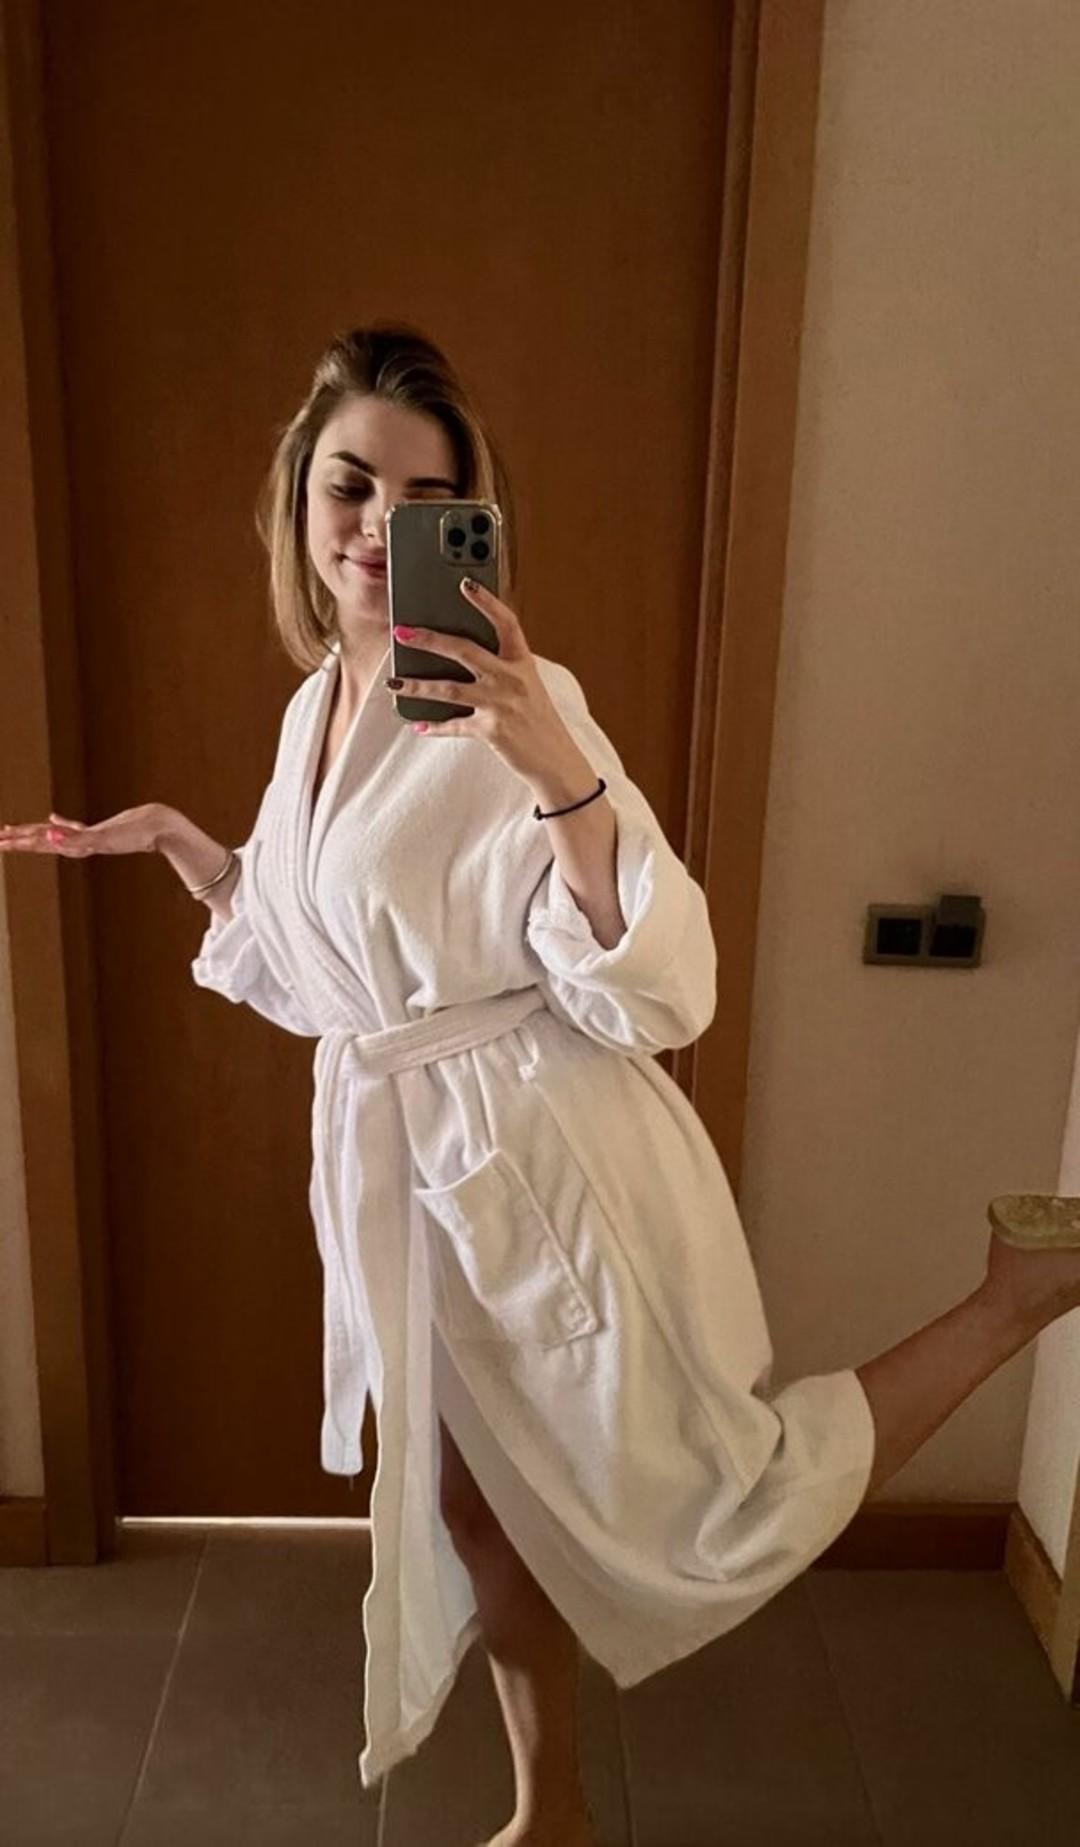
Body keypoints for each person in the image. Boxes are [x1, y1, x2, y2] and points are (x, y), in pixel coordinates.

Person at [4, 321, 1079, 1847]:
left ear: (470, 524)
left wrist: (561, 772)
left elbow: (657, 989)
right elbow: (334, 971)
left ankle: (1013, 1300)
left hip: (544, 1160)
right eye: (350, 487)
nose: (379, 525)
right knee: (469, 1501)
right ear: (297, 504)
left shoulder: (519, 698)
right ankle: (550, 1809)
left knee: (717, 1502)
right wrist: (193, 849)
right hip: (418, 1174)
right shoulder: (318, 706)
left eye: (424, 499)